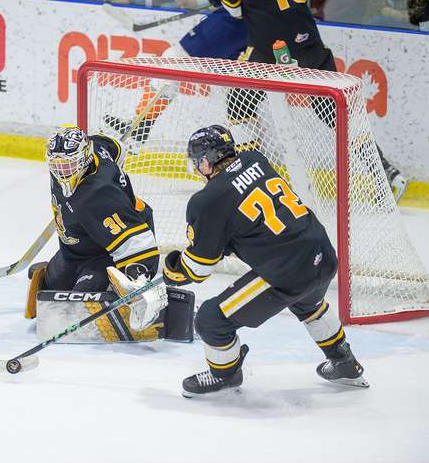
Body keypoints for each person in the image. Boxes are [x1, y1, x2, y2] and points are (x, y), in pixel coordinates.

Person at [156, 125, 368, 396]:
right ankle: (345, 362)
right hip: (321, 252)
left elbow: (198, 268)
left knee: (211, 320)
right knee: (308, 303)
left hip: (289, 270)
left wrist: (174, 270)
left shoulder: (206, 201)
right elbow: (250, 217)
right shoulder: (255, 158)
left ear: (206, 161)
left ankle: (226, 374)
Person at [213, 0, 408, 200]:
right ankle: (387, 174)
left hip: (270, 48)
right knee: (334, 112)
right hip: (308, 39)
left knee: (239, 107)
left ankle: (251, 183)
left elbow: (234, 11)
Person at [25, 126, 177, 338]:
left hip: (104, 252)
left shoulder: (97, 195)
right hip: (75, 251)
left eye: (68, 165)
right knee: (45, 298)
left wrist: (140, 281)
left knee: (76, 315)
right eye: (57, 166)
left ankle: (114, 286)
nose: (62, 172)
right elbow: (117, 148)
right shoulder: (95, 147)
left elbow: (139, 243)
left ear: (85, 158)